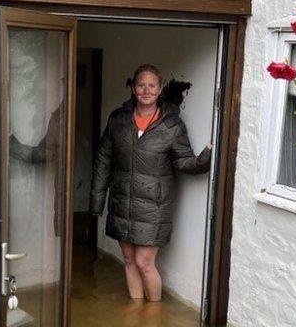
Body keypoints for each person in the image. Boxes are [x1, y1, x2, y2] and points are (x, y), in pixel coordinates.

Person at [91, 64, 212, 302]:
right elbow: (102, 161)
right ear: (134, 88)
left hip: (153, 207)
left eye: (151, 85)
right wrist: (97, 203)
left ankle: (154, 313)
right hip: (122, 202)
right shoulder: (118, 120)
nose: (146, 90)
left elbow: (185, 163)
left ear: (160, 89)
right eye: (141, 85)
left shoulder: (171, 125)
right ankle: (137, 311)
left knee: (144, 263)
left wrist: (208, 154)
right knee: (128, 261)